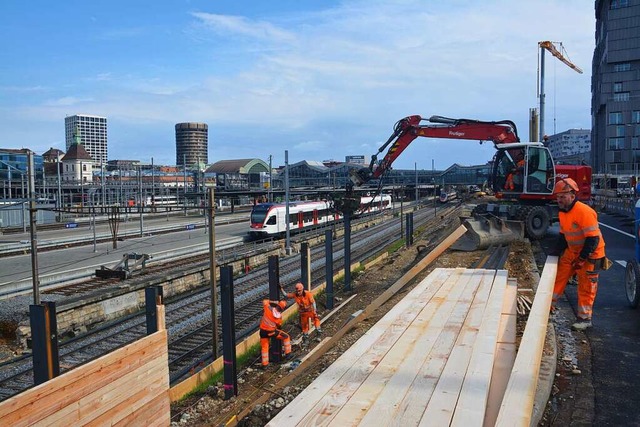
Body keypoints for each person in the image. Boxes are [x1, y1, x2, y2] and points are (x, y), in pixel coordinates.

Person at [550, 177, 606, 331]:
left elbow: (593, 238)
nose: (559, 200)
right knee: (558, 277)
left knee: (586, 286)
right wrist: (554, 253)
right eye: (558, 197)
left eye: (562, 197)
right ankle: (548, 306)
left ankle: (584, 318)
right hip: (573, 251)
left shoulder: (584, 211)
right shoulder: (563, 212)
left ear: (572, 196)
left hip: (591, 254)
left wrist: (582, 258)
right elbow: (563, 236)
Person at [259, 299, 291, 367]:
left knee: (265, 347)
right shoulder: (279, 317)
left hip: (262, 332)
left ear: (277, 305)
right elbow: (279, 326)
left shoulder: (268, 308)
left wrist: (273, 302)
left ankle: (265, 364)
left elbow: (265, 301)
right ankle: (288, 354)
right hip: (271, 332)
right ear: (282, 309)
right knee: (286, 337)